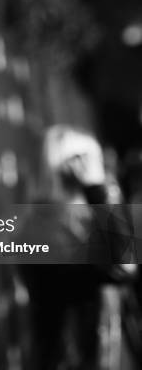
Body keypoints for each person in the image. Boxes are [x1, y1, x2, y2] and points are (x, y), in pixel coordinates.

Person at [19, 125, 136, 370]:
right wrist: (101, 192)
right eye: (87, 161)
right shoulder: (43, 230)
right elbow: (124, 269)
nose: (99, 170)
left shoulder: (85, 220)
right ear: (67, 167)